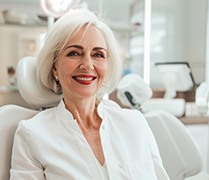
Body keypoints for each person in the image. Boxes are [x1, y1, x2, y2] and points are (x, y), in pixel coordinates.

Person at [10, 9, 170, 180]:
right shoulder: (32, 134)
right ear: (54, 66)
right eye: (74, 53)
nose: (87, 64)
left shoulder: (135, 124)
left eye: (98, 54)